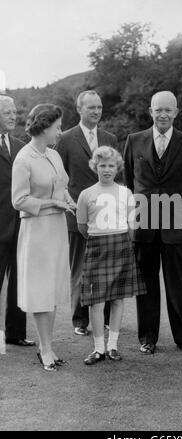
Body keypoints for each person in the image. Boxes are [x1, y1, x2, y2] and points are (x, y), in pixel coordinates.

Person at [124, 91, 182, 354]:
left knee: (178, 283)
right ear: (151, 111)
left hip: (176, 221)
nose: (164, 114)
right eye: (159, 110)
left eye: (168, 110)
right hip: (143, 222)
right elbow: (129, 181)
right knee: (145, 283)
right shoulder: (134, 141)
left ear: (176, 112)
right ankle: (147, 337)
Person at [12, 104, 75, 372]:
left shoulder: (54, 155)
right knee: (40, 291)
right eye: (57, 127)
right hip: (37, 232)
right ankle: (46, 349)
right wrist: (52, 204)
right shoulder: (24, 159)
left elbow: (62, 186)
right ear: (44, 126)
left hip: (57, 230)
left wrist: (70, 201)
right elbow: (19, 200)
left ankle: (46, 346)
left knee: (51, 290)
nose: (60, 132)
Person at [77, 146, 146, 364]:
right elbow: (82, 226)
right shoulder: (86, 194)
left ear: (118, 168)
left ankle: (113, 346)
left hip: (121, 247)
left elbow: (131, 223)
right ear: (95, 167)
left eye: (111, 166)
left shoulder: (125, 192)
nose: (106, 170)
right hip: (97, 248)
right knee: (96, 302)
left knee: (117, 299)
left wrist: (125, 243)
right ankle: (98, 349)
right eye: (102, 165)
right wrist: (98, 239)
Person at [56, 91, 117, 336]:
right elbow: (59, 178)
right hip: (77, 216)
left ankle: (104, 318)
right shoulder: (66, 138)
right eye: (91, 107)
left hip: (107, 215)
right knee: (80, 269)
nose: (96, 111)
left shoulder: (109, 138)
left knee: (107, 269)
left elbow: (116, 175)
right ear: (79, 109)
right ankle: (80, 320)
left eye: (99, 107)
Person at [0, 95, 35, 349]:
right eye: (7, 112)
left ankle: (15, 333)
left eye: (14, 112)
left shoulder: (21, 146)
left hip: (20, 225)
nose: (13, 116)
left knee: (19, 283)